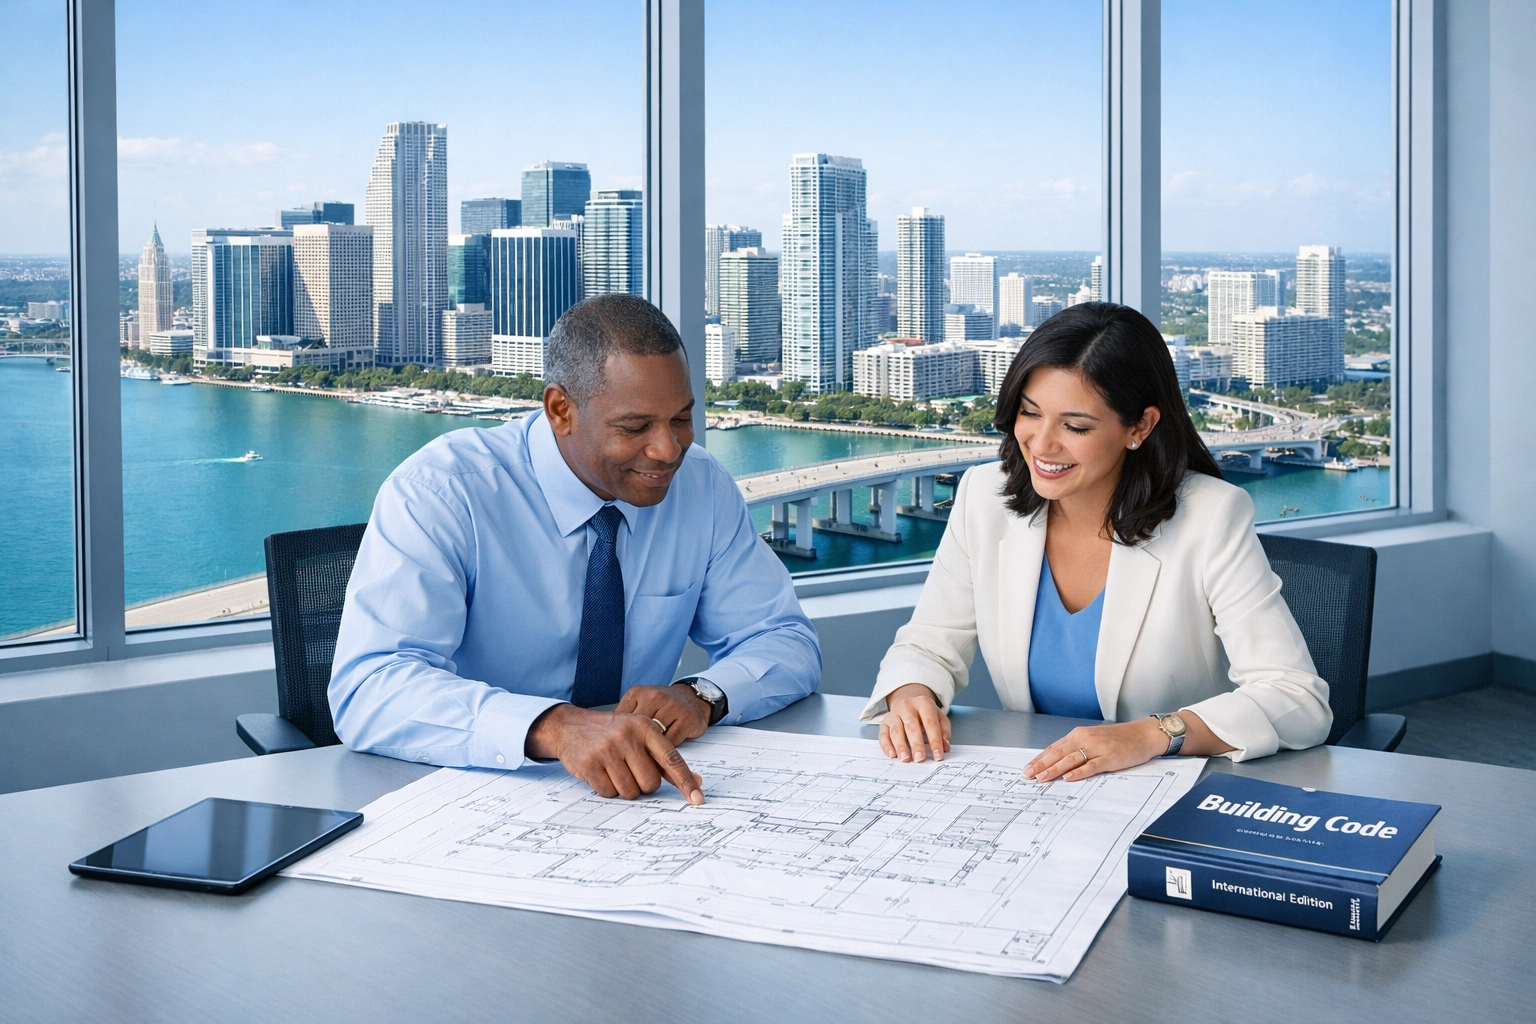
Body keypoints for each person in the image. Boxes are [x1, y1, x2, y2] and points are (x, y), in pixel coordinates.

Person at [331, 294, 821, 805]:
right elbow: (369, 688)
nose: (669, 451)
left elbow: (786, 640)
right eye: (635, 427)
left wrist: (703, 695)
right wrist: (554, 727)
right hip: (474, 792)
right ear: (560, 410)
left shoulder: (702, 486)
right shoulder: (443, 492)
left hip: (640, 800)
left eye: (680, 419)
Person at [861, 302, 1330, 780]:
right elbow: (929, 645)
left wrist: (1151, 735)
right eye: (1030, 413)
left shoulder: (1212, 517)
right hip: (1042, 787)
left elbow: (1297, 699)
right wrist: (913, 693)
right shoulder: (985, 497)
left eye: (1075, 426)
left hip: (1168, 789)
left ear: (1140, 427)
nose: (1041, 444)